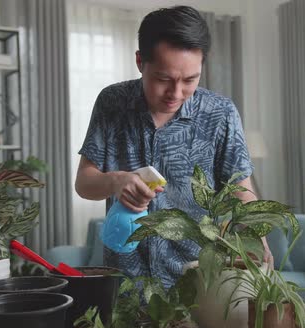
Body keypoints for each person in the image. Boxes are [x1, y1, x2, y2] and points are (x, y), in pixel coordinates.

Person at [75, 5, 272, 288]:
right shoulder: (112, 102)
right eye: (163, 79)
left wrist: (259, 242)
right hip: (125, 281)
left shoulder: (220, 113)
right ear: (140, 61)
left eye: (190, 80)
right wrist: (116, 181)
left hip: (198, 282)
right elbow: (84, 183)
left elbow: (242, 190)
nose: (176, 93)